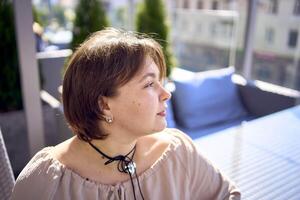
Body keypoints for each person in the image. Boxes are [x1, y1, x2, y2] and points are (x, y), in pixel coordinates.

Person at [11, 28, 241, 200]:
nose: (166, 94)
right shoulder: (46, 181)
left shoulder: (179, 154)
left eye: (162, 82)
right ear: (104, 105)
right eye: (149, 84)